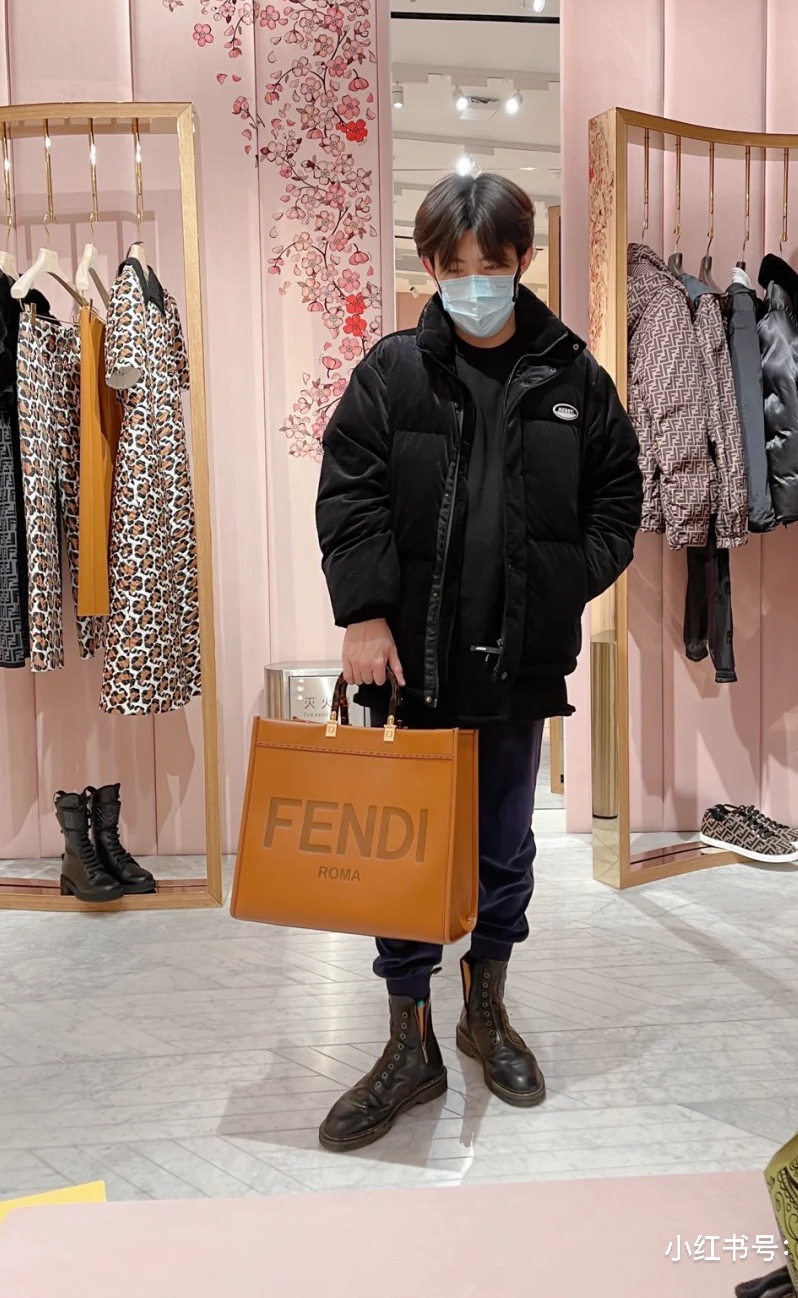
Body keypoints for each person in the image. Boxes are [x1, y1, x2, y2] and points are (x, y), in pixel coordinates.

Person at [315, 172, 642, 1151]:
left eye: (490, 265)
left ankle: (485, 1012)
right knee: (402, 855)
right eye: (453, 268)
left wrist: (561, 582)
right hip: (408, 665)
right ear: (430, 266)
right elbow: (350, 492)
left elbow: (619, 499)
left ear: (521, 260)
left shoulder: (575, 377)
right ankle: (408, 1039)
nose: (473, 284)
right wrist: (364, 614)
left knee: (505, 847)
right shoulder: (391, 372)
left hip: (519, 664)